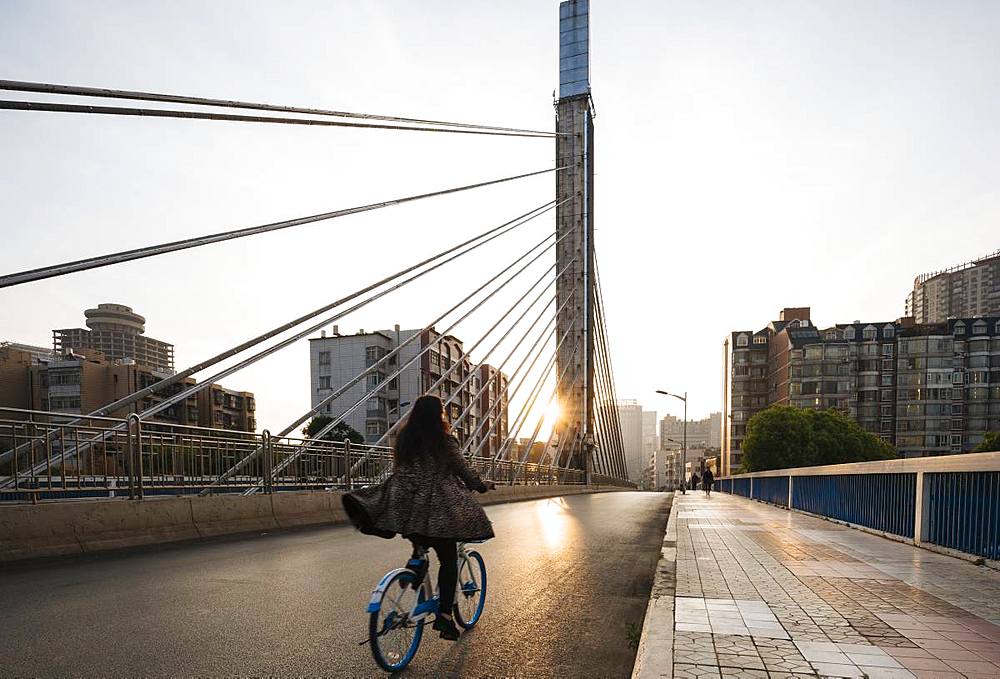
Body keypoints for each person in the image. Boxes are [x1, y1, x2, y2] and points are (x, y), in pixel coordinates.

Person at [342, 395, 495, 641]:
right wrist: (481, 485)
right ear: (439, 415)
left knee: (421, 539)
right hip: (437, 513)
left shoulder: (404, 439)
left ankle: (416, 562)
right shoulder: (444, 441)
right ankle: (445, 617)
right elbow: (462, 470)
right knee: (448, 562)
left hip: (407, 511)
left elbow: (405, 472)